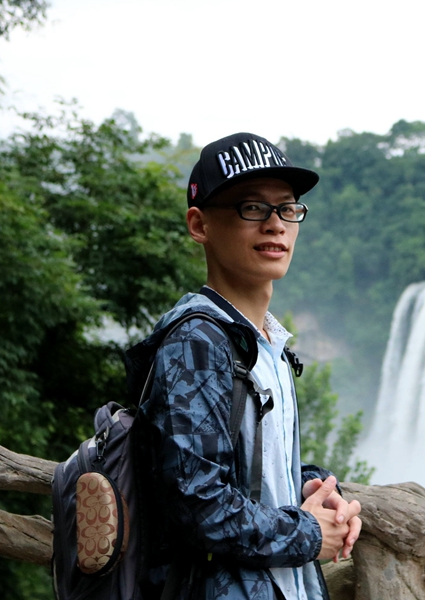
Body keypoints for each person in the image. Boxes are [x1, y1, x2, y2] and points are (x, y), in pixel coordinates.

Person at [134, 132, 361, 600]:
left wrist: (311, 486)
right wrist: (310, 533)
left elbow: (247, 468)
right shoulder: (196, 342)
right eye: (252, 208)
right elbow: (199, 503)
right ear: (200, 225)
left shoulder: (266, 343)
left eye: (287, 208)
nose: (276, 225)